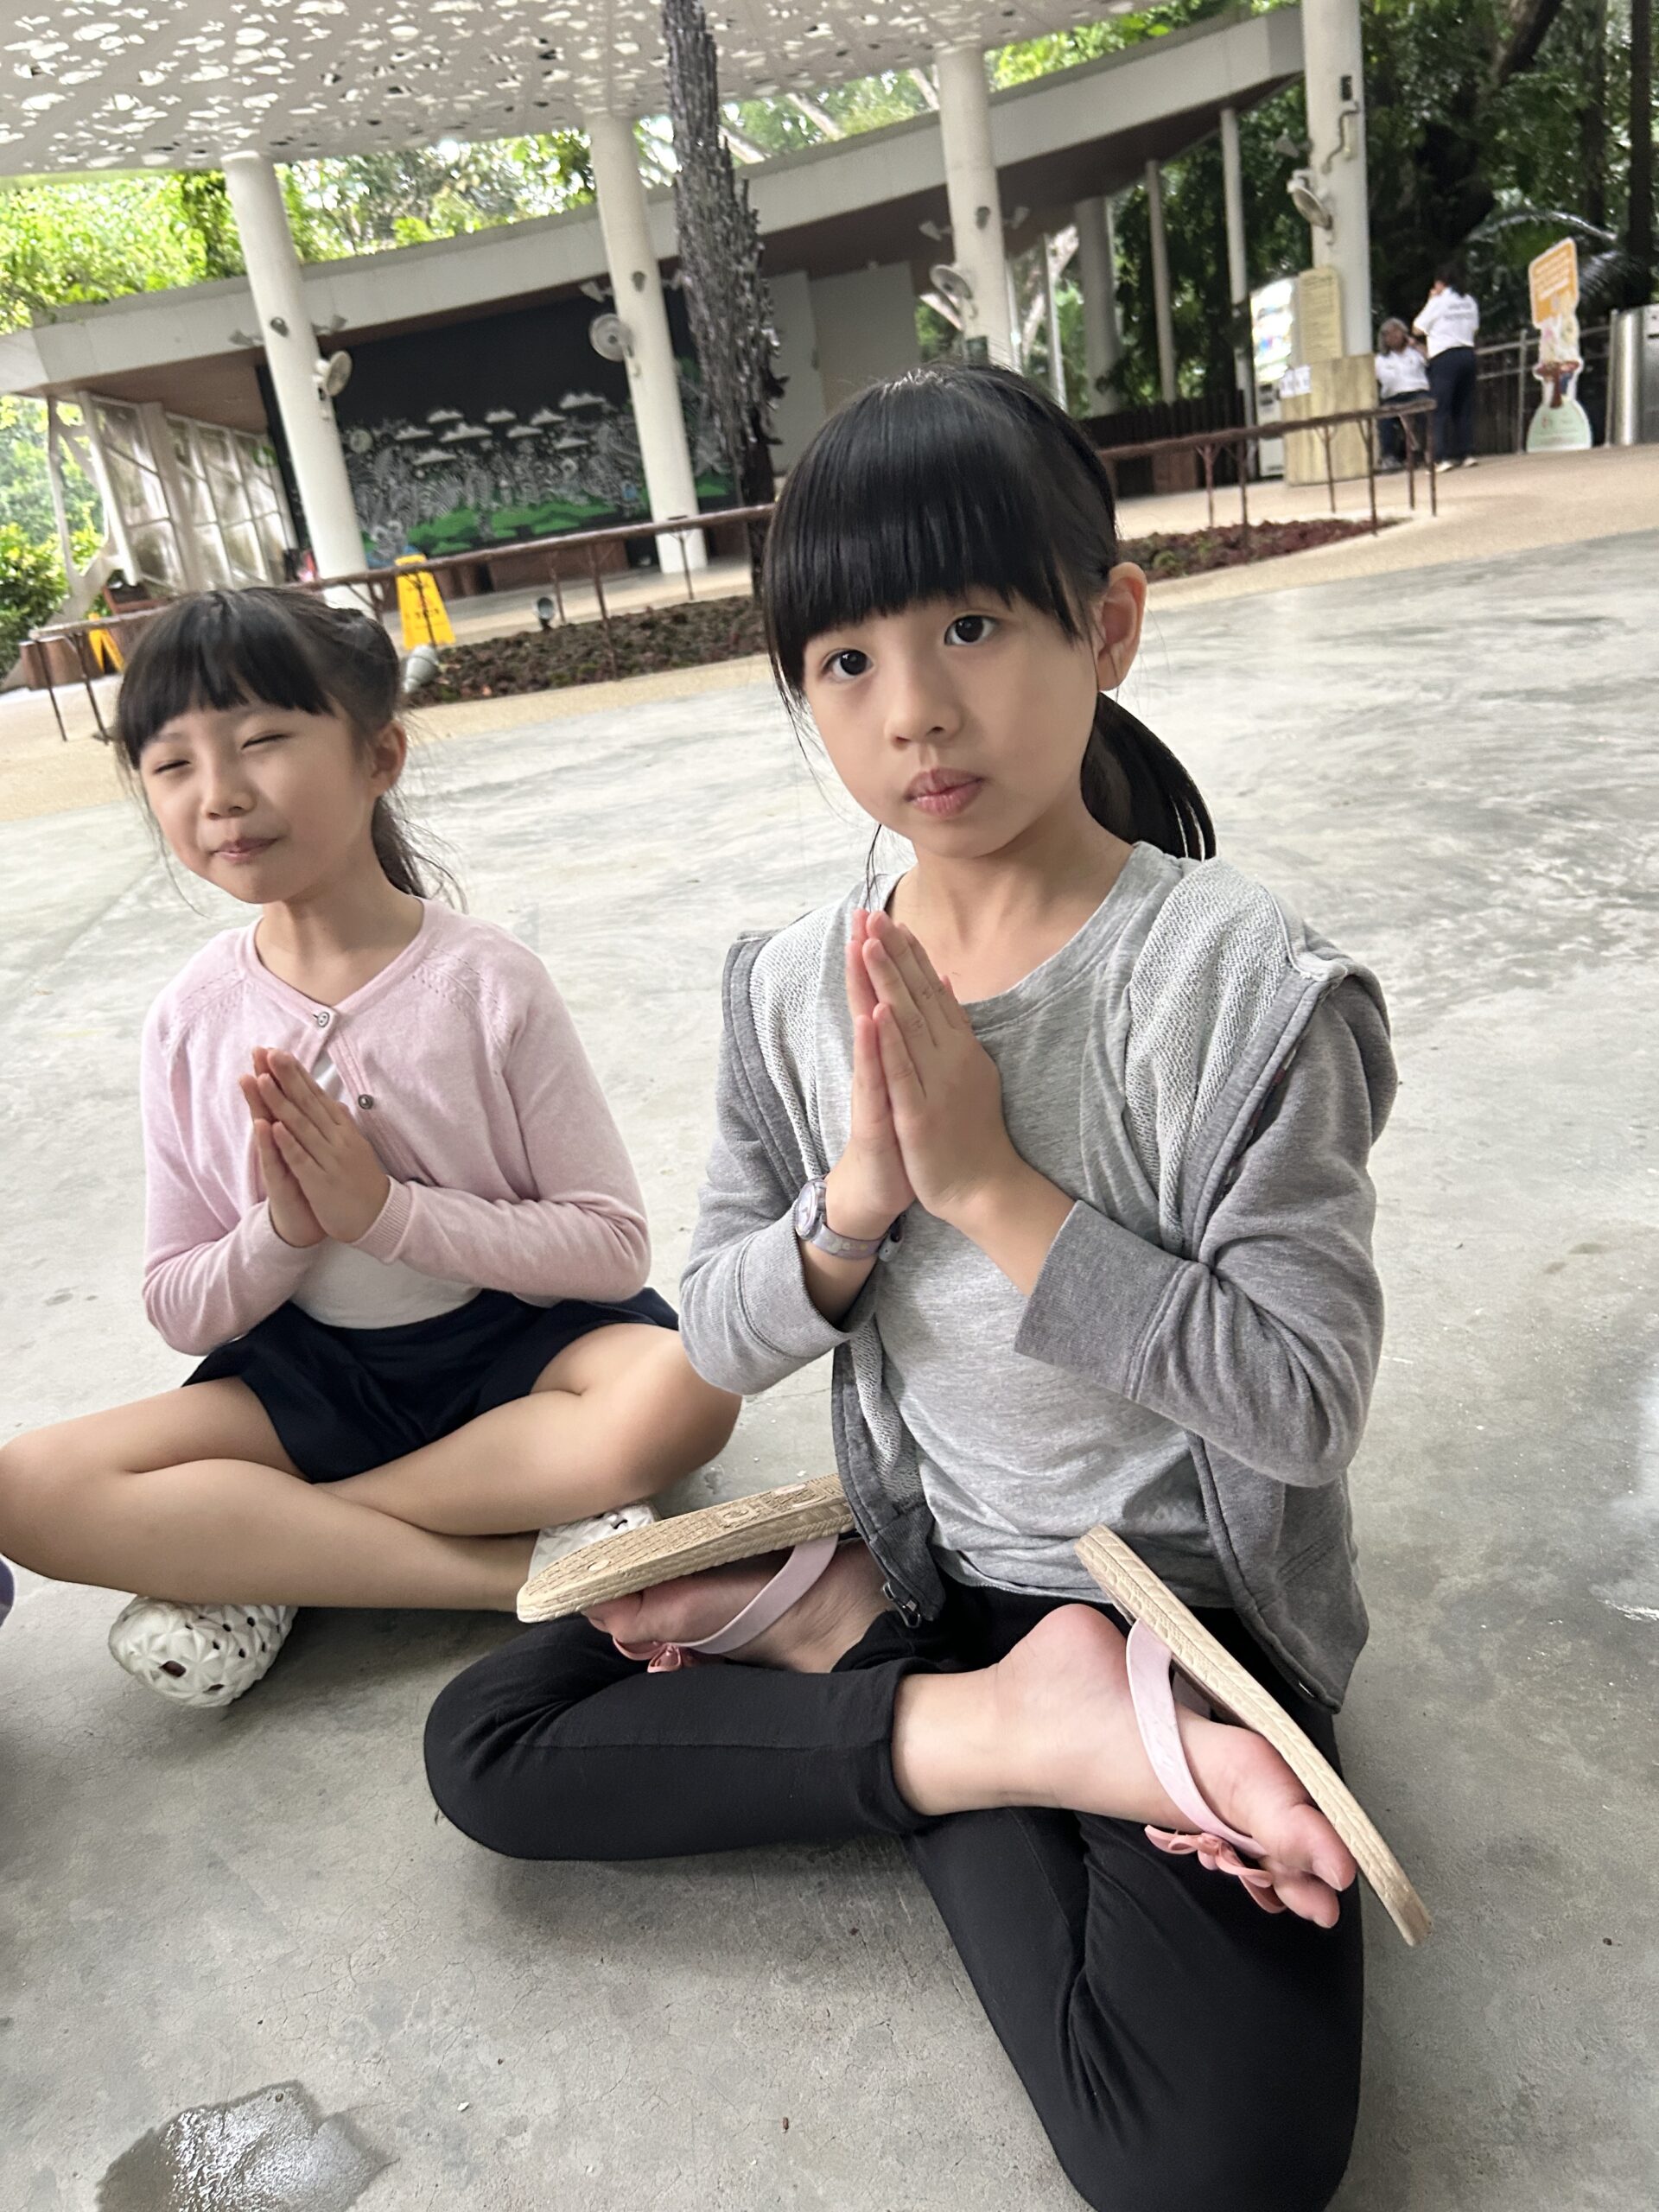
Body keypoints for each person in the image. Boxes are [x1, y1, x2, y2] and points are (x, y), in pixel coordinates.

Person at [424, 364, 1396, 2211]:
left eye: (970, 623)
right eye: (845, 662)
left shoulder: (1244, 988)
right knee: (488, 1741)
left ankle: (1009, 1715)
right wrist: (857, 1203)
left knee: (1217, 2168)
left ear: (1105, 623)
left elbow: (1303, 1395)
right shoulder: (793, 981)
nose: (916, 710)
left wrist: (995, 1188)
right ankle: (1001, 1720)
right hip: (934, 1569)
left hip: (1188, 1615)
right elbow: (708, 1325)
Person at [0, 589, 738, 1707]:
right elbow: (180, 1308)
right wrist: (285, 1233)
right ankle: (518, 1569)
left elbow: (608, 1250)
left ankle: (275, 1558)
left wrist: (385, 1213)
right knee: (26, 1490)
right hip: (316, 1375)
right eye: (172, 765)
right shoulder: (188, 1020)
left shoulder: (484, 982)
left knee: (691, 1388)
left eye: (261, 742)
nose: (221, 795)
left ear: (378, 755)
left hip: (518, 1348)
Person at [1413, 260, 1481, 469]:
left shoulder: (1439, 301)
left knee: (1439, 408)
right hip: (1468, 354)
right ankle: (1467, 452)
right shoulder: (1469, 300)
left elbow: (1417, 328)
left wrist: (1430, 300)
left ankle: (1440, 457)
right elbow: (1475, 328)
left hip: (1445, 357)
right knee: (1463, 406)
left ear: (1440, 282)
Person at [1374, 315, 1429, 467]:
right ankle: (1389, 457)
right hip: (1394, 397)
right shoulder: (1380, 360)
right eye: (1388, 334)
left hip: (1417, 393)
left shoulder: (1415, 352)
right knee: (1384, 416)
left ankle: (1428, 451)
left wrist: (1415, 345)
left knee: (1426, 411)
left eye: (1396, 332)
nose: (1393, 336)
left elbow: (1430, 358)